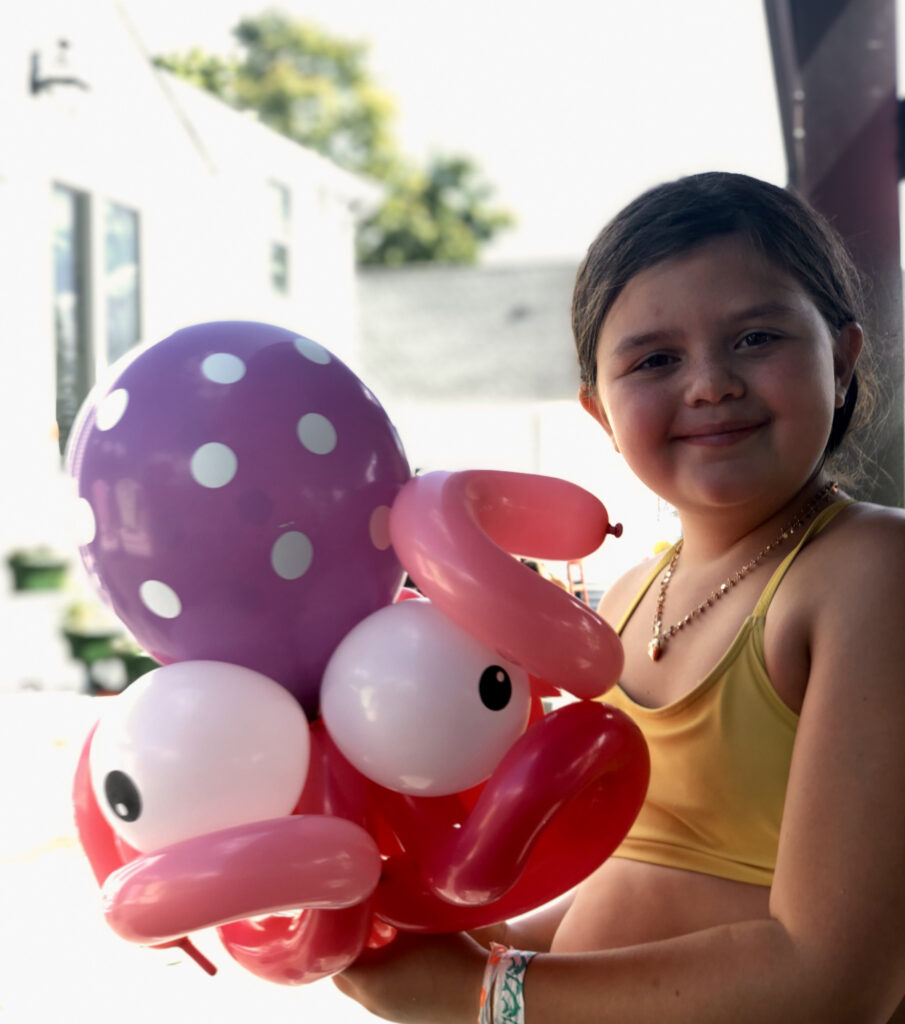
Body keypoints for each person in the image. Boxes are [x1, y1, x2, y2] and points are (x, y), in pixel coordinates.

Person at [333, 172, 905, 1022]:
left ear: (845, 352)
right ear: (598, 410)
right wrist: (476, 951)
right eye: (655, 359)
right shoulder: (631, 599)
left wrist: (484, 998)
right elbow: (640, 878)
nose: (709, 383)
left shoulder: (870, 570)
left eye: (755, 338)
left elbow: (832, 977)